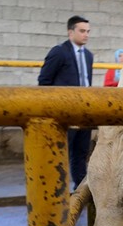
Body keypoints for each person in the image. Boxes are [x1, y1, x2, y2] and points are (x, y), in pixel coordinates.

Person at [37, 15, 94, 190]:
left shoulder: (89, 56)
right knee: (60, 151)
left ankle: (80, 188)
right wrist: (53, 108)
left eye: (88, 31)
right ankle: (55, 189)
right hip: (64, 113)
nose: (86, 35)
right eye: (82, 31)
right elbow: (44, 81)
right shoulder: (59, 52)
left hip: (84, 113)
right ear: (71, 32)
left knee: (81, 152)